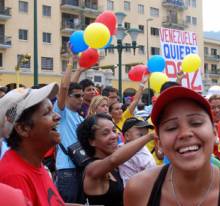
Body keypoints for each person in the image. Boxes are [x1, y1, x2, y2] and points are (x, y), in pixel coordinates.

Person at [124, 86, 220, 206]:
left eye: (196, 123)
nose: (185, 134)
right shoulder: (140, 189)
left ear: (215, 132)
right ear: (159, 142)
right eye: (171, 127)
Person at [0, 83, 66, 206]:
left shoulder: (34, 164)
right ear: (23, 129)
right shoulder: (14, 176)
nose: (58, 116)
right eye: (47, 113)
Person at [77, 113, 154, 206]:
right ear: (91, 141)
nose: (114, 136)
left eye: (114, 130)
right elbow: (113, 160)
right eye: (105, 133)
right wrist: (150, 136)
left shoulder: (118, 166)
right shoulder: (92, 169)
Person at [54, 52, 86, 203]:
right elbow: (65, 87)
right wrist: (70, 62)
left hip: (81, 168)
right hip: (67, 171)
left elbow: (71, 88)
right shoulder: (61, 112)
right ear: (67, 97)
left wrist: (79, 70)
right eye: (78, 96)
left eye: (82, 95)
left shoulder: (79, 116)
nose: (82, 98)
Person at [118, 117, 156, 186]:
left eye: (146, 135)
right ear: (127, 136)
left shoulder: (146, 158)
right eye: (141, 135)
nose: (145, 139)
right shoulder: (119, 148)